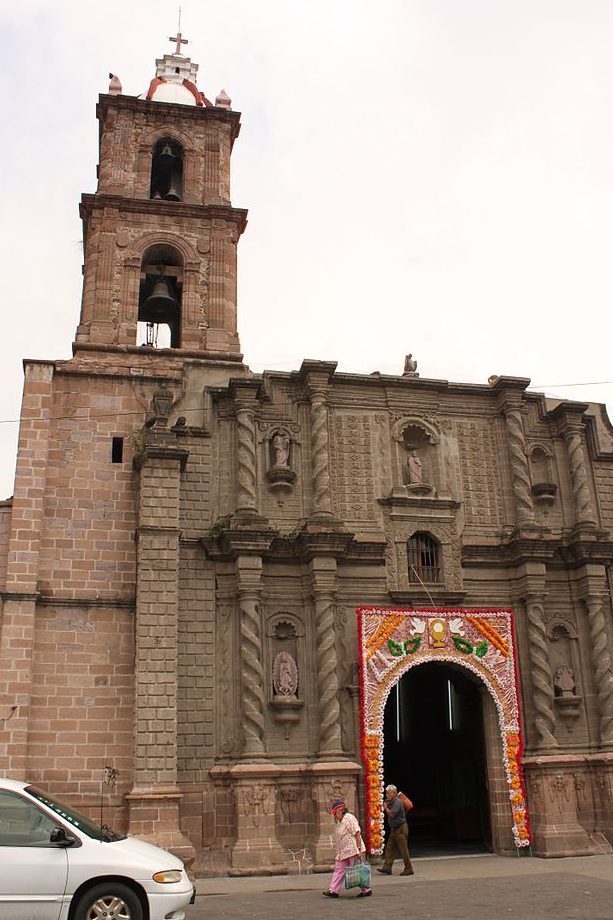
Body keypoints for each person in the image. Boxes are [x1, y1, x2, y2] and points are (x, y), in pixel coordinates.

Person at [323, 799, 372, 898]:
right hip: (343, 852)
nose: (334, 815)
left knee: (357, 870)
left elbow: (357, 833)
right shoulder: (340, 821)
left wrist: (358, 849)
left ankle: (366, 889)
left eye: (335, 813)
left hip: (352, 850)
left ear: (340, 810)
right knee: (339, 869)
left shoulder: (349, 818)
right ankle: (333, 890)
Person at [376, 784, 414, 876]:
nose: (387, 795)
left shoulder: (397, 802)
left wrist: (385, 807)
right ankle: (387, 868)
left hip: (400, 828)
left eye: (389, 793)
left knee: (403, 849)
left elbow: (392, 814)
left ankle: (409, 868)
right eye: (386, 793)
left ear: (394, 793)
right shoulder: (391, 801)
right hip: (394, 829)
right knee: (389, 848)